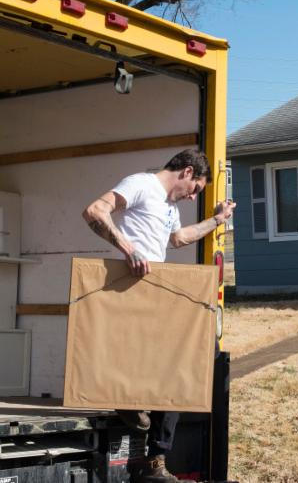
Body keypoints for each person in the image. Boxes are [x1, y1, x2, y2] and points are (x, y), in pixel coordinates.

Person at [82, 148, 235, 483]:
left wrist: (217, 220)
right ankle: (126, 399)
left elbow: (178, 238)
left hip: (154, 290)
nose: (192, 196)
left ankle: (154, 457)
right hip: (130, 287)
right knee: (175, 360)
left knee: (189, 358)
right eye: (195, 189)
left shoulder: (169, 207)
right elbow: (95, 210)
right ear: (187, 172)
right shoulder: (140, 184)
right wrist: (129, 249)